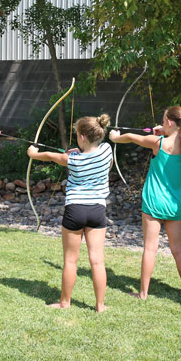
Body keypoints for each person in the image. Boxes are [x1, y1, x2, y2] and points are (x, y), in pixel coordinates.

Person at [109, 106, 181, 300]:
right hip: (175, 205)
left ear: (170, 122)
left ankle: (143, 293)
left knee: (150, 248)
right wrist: (168, 129)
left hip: (153, 202)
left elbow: (132, 137)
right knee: (178, 249)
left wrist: (116, 137)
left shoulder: (158, 142)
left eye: (164, 119)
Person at [28, 114, 113, 312]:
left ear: (82, 137)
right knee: (97, 260)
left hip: (75, 210)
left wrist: (33, 154)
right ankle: (100, 305)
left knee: (70, 260)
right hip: (97, 210)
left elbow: (51, 156)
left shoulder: (73, 159)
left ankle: (65, 302)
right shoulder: (107, 151)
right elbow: (103, 163)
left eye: (77, 135)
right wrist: (82, 151)